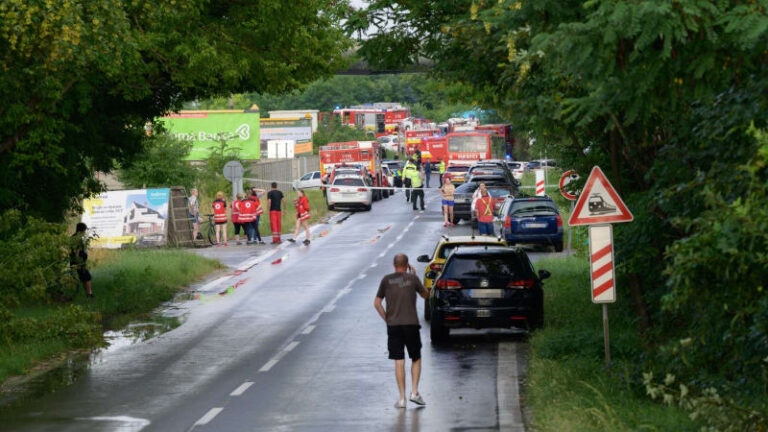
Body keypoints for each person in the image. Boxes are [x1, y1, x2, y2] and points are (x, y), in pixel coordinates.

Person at [374, 254, 429, 409]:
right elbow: (426, 295)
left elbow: (377, 303)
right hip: (411, 324)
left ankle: (402, 399)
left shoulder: (386, 280)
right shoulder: (412, 279)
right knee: (416, 357)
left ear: (394, 264)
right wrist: (414, 277)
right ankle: (415, 393)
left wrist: (387, 319)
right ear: (407, 265)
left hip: (394, 326)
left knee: (399, 360)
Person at [70, 222, 94, 297]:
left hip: (75, 261)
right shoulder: (77, 239)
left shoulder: (73, 237)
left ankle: (88, 293)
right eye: (84, 231)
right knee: (87, 277)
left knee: (84, 277)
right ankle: (89, 294)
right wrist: (78, 262)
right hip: (79, 262)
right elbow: (77, 251)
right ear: (81, 230)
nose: (85, 232)